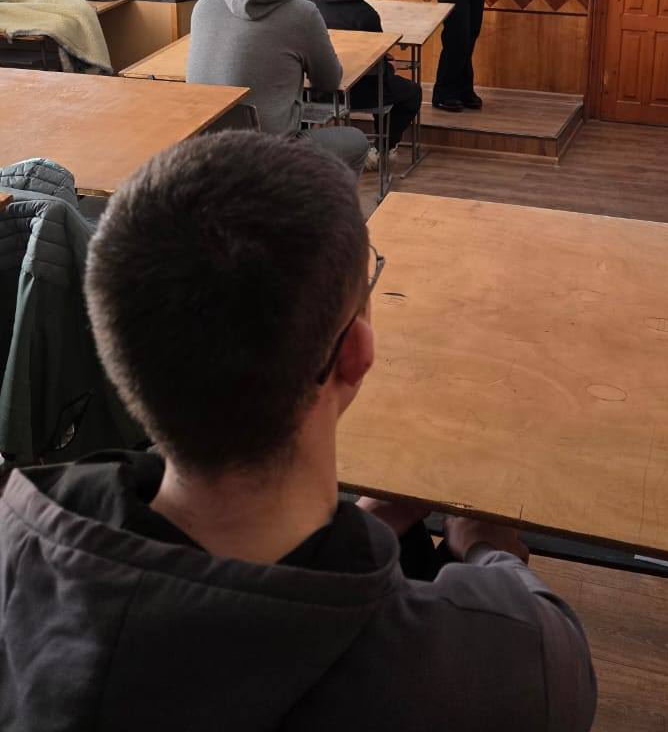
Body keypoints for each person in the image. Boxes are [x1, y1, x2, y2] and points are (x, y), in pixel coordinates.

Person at [0, 134, 597, 732]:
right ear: (355, 354)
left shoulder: (17, 538)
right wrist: (489, 549)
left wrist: (369, 525)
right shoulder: (513, 663)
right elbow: (551, 643)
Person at [186, 0, 368, 175]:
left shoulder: (204, 4)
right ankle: (316, 200)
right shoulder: (302, 13)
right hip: (269, 151)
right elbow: (329, 81)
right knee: (356, 142)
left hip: (203, 147)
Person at [312, 0, 422, 169]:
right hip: (355, 90)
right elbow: (376, 69)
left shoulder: (314, 3)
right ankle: (381, 150)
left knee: (385, 80)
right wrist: (388, 65)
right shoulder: (366, 15)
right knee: (410, 92)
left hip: (320, 89)